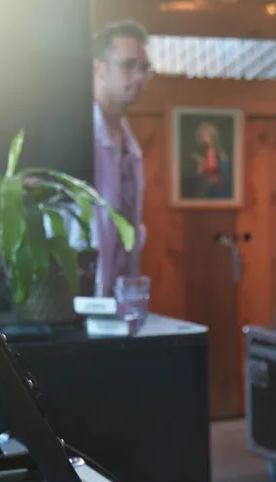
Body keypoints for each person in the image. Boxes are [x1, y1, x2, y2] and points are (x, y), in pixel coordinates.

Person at [87, 19, 150, 297]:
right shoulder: (77, 135)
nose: (138, 77)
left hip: (119, 300)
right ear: (99, 68)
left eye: (144, 68)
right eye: (127, 66)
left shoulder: (129, 142)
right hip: (79, 297)